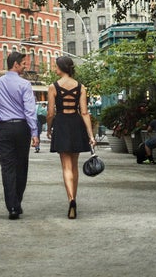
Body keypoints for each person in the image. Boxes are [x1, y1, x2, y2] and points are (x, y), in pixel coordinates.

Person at [0, 51, 39, 219]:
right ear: (15, 65)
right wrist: (34, 132)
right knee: (21, 166)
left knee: (7, 167)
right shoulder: (25, 85)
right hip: (22, 127)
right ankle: (17, 201)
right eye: (24, 63)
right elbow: (29, 110)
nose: (26, 66)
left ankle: (12, 206)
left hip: (5, 129)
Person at [46, 55, 95, 220]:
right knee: (74, 166)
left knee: (66, 167)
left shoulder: (53, 87)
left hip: (61, 124)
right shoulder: (81, 87)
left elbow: (50, 113)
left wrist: (49, 128)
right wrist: (91, 135)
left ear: (61, 68)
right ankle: (74, 197)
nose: (55, 69)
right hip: (76, 124)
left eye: (56, 66)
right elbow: (85, 112)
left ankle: (71, 200)